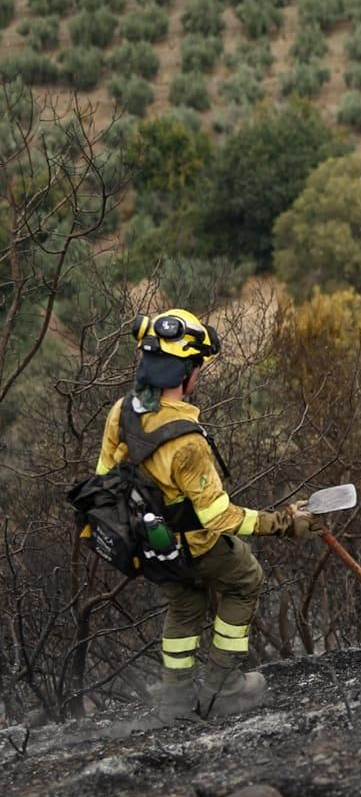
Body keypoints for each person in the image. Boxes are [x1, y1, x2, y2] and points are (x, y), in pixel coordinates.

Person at [94, 308, 320, 723]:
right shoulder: (187, 443)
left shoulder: (122, 411)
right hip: (193, 546)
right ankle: (224, 688)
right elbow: (219, 518)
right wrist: (283, 523)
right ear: (187, 372)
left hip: (149, 548)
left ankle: (176, 702)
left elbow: (104, 478)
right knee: (244, 579)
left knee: (184, 606)